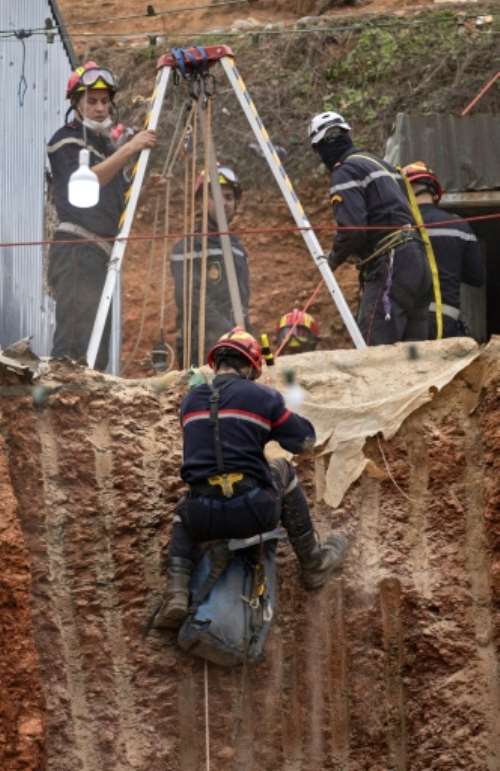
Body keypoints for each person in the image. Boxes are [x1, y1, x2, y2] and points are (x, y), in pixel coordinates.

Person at [155, 327, 347, 629]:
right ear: (250, 367)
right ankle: (313, 563)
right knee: (282, 469)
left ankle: (176, 593)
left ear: (216, 364)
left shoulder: (190, 402)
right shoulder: (262, 397)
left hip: (203, 518)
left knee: (185, 508)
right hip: (253, 511)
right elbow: (305, 442)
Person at [47, 61, 156, 370]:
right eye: (91, 101)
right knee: (74, 341)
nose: (100, 108)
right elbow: (86, 182)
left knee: (98, 344)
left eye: (104, 101)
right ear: (76, 104)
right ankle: (65, 403)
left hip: (100, 254)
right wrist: (129, 148)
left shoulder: (105, 147)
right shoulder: (65, 139)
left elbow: (117, 203)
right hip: (76, 250)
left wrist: (147, 191)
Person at [308, 111, 433, 345]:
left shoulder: (345, 170)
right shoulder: (382, 165)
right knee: (416, 356)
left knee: (374, 347)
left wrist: (332, 260)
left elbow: (353, 229)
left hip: (393, 262)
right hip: (418, 262)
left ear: (319, 148)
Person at [170, 165, 251, 368]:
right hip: (200, 346)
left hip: (236, 341)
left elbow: (242, 302)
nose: (224, 203)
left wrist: (246, 335)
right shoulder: (188, 247)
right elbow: (191, 299)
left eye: (229, 197)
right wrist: (229, 332)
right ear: (200, 201)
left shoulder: (237, 248)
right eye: (216, 196)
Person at [402, 161, 485, 338]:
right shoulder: (459, 227)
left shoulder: (400, 228)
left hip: (406, 324)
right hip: (446, 322)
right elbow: (477, 278)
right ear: (434, 191)